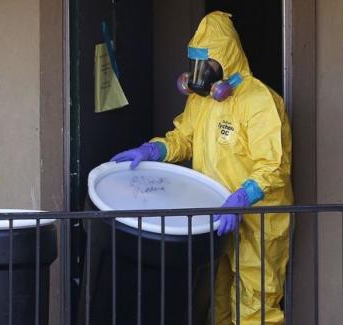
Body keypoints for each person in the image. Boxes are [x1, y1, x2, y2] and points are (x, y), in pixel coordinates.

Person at [111, 11, 293, 325]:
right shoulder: (202, 101)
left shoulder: (259, 101)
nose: (200, 73)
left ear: (227, 58)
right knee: (217, 298)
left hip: (258, 219)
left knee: (256, 305)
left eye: (207, 63)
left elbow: (273, 165)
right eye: (195, 62)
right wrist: (155, 149)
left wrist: (241, 198)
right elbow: (184, 138)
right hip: (216, 217)